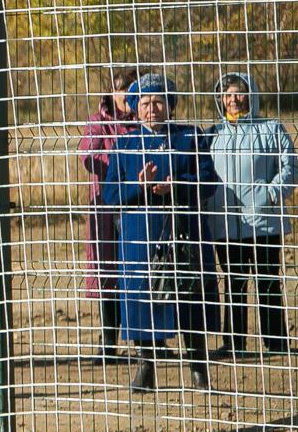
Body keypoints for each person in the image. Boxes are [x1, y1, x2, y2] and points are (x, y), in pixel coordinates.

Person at [99, 73, 217, 392]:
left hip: (184, 231)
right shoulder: (123, 145)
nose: (153, 109)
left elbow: (210, 180)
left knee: (190, 297)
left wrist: (177, 185)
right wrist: (138, 187)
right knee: (141, 299)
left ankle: (198, 369)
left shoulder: (190, 137)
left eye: (159, 102)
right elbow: (110, 195)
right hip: (140, 236)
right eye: (146, 103)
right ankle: (145, 367)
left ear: (171, 106)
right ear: (135, 109)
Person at [207, 71, 298, 357]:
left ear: (251, 95)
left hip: (264, 224)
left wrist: (271, 194)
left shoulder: (271, 129)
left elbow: (290, 168)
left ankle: (276, 343)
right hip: (226, 225)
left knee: (267, 282)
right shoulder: (213, 135)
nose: (233, 99)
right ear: (220, 99)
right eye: (227, 94)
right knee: (233, 283)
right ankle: (233, 343)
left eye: (238, 92)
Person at [80, 67, 138, 362]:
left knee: (141, 270)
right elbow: (86, 155)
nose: (126, 94)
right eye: (121, 88)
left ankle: (147, 338)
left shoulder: (145, 122)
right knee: (108, 273)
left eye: (131, 88)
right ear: (111, 93)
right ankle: (109, 341)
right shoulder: (98, 124)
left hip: (139, 208)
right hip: (105, 210)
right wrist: (107, 165)